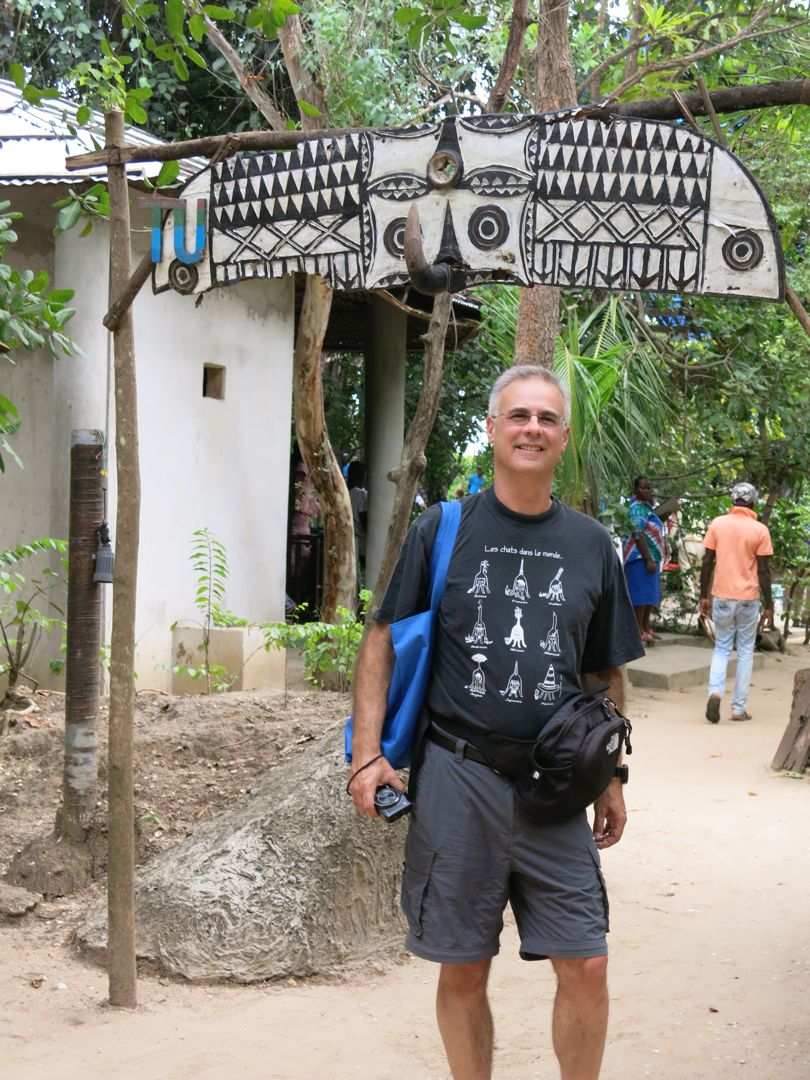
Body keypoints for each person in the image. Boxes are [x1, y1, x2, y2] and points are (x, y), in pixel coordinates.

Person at [348, 365, 643, 1080]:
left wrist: (612, 775)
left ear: (563, 436)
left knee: (587, 962)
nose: (532, 428)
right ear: (492, 428)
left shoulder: (591, 544)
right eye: (518, 415)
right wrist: (366, 754)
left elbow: (604, 674)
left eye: (546, 418)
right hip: (459, 775)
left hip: (556, 785)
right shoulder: (443, 528)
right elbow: (382, 639)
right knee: (463, 967)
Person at [700, 482, 774, 723]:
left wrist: (703, 596)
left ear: (733, 500)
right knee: (745, 651)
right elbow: (763, 571)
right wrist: (769, 605)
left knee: (722, 647)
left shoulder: (717, 524)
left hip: (722, 595)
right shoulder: (760, 530)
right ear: (753, 502)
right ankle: (738, 709)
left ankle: (715, 692)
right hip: (748, 598)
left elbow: (707, 562)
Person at [622, 476, 666, 646]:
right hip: (640, 557)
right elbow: (638, 533)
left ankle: (646, 627)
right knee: (640, 596)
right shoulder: (636, 508)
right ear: (635, 490)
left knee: (649, 595)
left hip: (651, 557)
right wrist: (648, 559)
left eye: (648, 488)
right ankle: (638, 630)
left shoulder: (646, 507)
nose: (647, 491)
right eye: (643, 488)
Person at [346, 460, 368, 590]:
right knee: (360, 576)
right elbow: (363, 518)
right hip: (359, 540)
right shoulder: (361, 494)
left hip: (347, 537)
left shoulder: (346, 492)